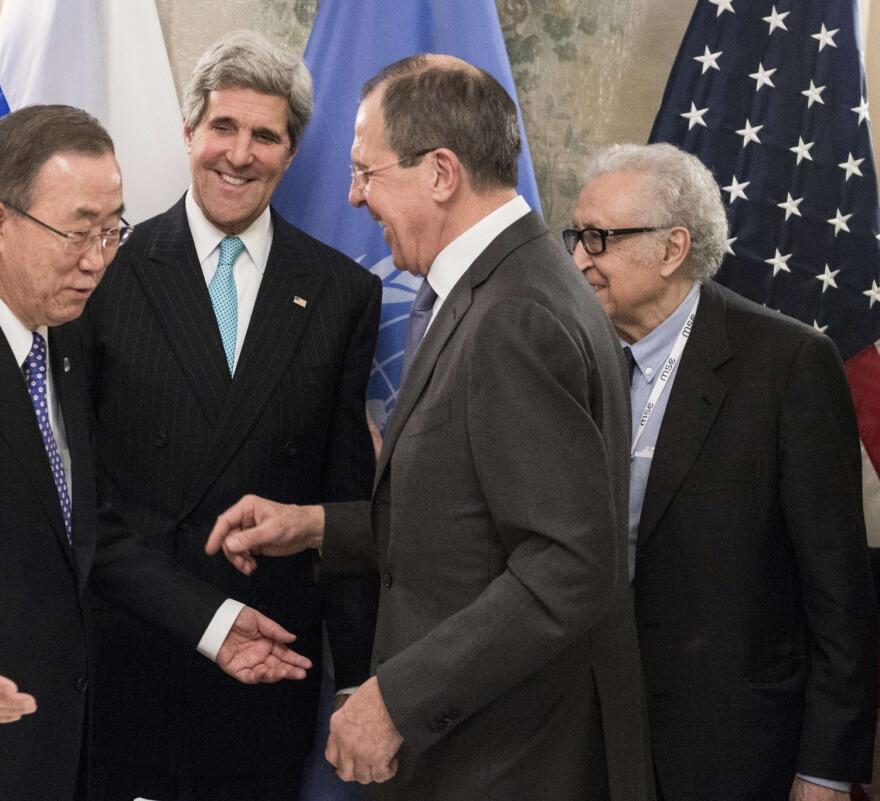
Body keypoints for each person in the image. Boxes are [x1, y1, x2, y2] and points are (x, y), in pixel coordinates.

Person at [0, 104, 310, 801]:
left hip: (50, 756)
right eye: (78, 232)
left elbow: (86, 531)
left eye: (111, 230)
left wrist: (214, 624)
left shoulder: (62, 341)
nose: (98, 259)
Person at [206, 55, 654, 800]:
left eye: (366, 172)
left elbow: (567, 564)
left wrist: (396, 697)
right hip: (485, 746)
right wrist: (316, 524)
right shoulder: (499, 284)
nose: (353, 197)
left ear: (441, 172)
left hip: (507, 758)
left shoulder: (515, 314)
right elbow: (466, 522)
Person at [80, 30, 381, 801]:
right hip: (126, 666)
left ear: (292, 150)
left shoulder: (343, 292)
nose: (239, 154)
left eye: (265, 135)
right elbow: (79, 499)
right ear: (189, 134)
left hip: (264, 678)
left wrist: (360, 678)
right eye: (223, 127)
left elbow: (346, 499)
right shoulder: (106, 274)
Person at [566, 142, 877, 801]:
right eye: (575, 235)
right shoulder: (573, 358)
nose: (577, 259)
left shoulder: (788, 364)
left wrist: (824, 768)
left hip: (730, 751)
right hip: (585, 735)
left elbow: (839, 594)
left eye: (598, 238)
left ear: (673, 247)